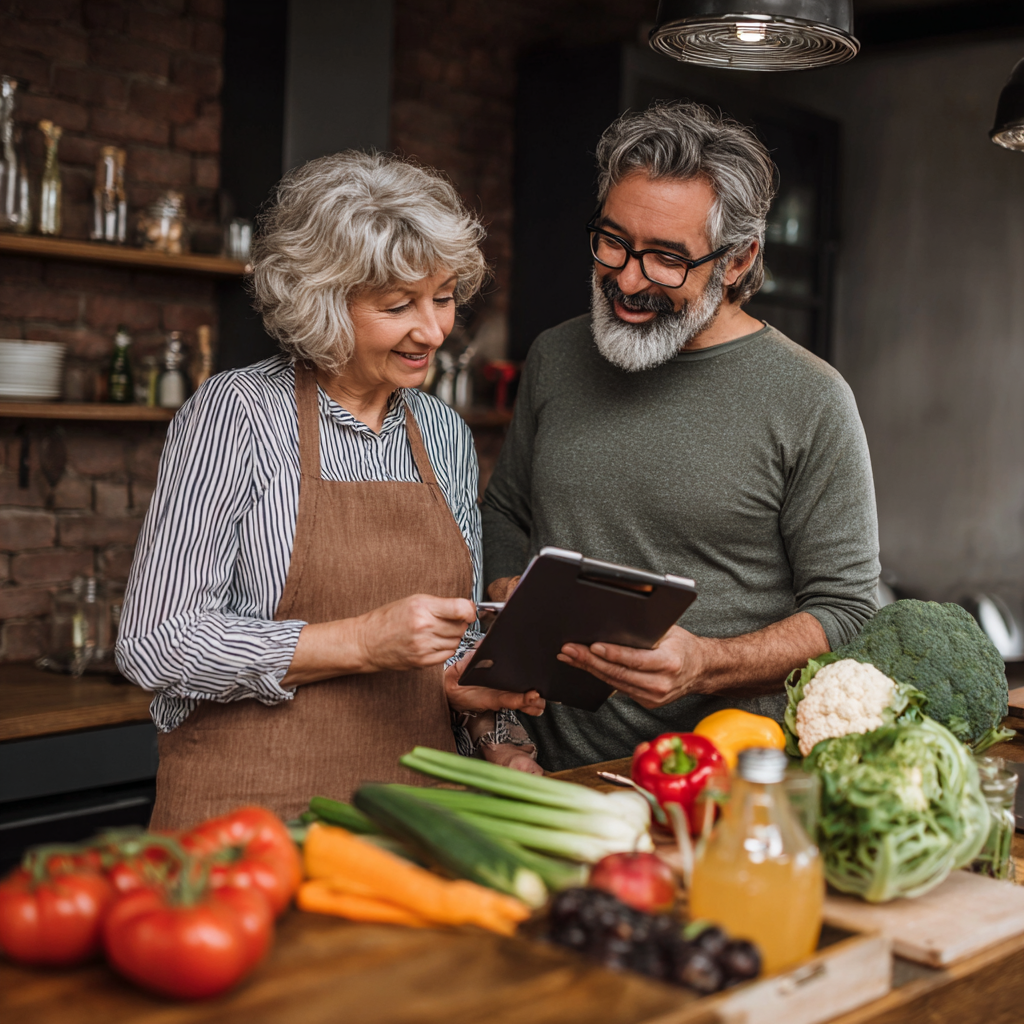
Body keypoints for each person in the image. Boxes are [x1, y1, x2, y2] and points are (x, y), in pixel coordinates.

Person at [116, 152, 544, 828]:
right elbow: (157, 643)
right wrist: (363, 643)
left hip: (416, 814)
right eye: (398, 305)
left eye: (444, 297)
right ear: (323, 303)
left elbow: (450, 645)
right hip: (250, 821)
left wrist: (492, 726)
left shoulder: (443, 433)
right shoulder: (237, 413)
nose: (433, 331)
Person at [480, 103, 880, 771]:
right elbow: (507, 511)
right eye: (613, 241)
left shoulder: (811, 398)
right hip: (547, 770)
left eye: (667, 258)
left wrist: (705, 664)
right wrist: (508, 595)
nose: (628, 280)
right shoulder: (554, 356)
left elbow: (847, 611)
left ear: (738, 259)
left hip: (720, 782)